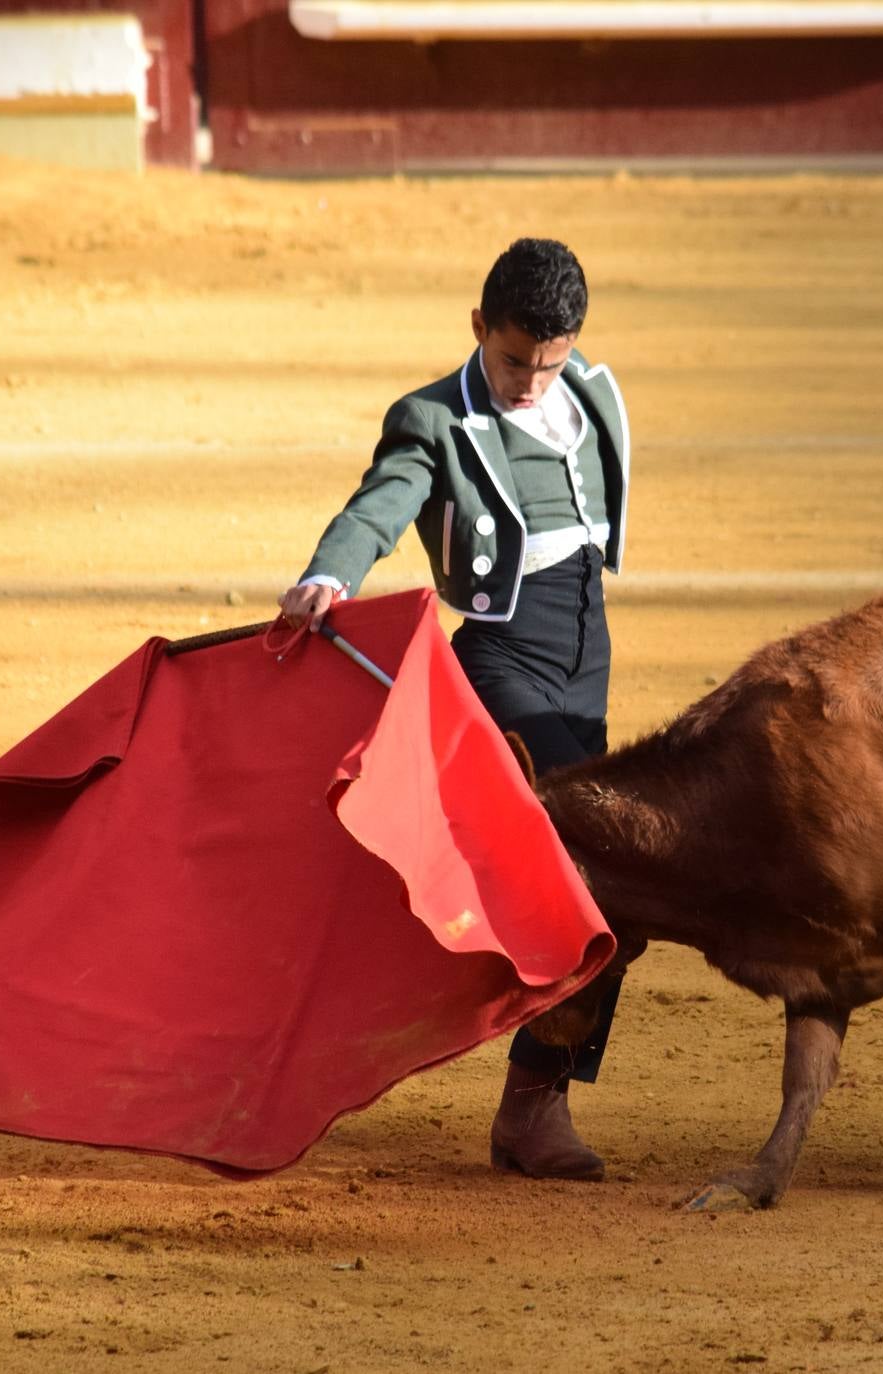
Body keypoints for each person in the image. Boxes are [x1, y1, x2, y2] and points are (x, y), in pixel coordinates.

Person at [278, 237, 629, 1182]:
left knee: (590, 881)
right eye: (514, 359)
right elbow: (381, 504)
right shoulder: (434, 419)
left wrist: (560, 379)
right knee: (593, 876)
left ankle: (532, 1101)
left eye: (548, 362)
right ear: (479, 329)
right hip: (502, 663)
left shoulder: (588, 394)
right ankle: (528, 1108)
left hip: (585, 661)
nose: (529, 381)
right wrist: (329, 573)